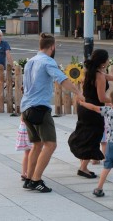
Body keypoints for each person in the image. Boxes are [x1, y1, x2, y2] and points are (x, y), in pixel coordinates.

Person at [21, 33, 84, 193]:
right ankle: (36, 179)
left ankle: (28, 178)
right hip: (40, 109)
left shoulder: (30, 61)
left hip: (26, 108)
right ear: (52, 47)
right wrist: (78, 92)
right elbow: (62, 79)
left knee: (37, 144)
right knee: (51, 144)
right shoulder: (48, 61)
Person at [68, 49, 113, 179]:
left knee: (85, 134)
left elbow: (106, 76)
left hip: (84, 107)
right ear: (102, 61)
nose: (108, 61)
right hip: (94, 110)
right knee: (93, 137)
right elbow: (101, 98)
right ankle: (83, 168)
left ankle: (83, 165)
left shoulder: (91, 72)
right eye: (107, 59)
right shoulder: (99, 75)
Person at [15, 117, 32, 181]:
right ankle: (30, 173)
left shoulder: (25, 108)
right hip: (31, 131)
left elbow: (22, 118)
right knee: (34, 153)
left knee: (27, 153)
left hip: (24, 130)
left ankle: (24, 172)